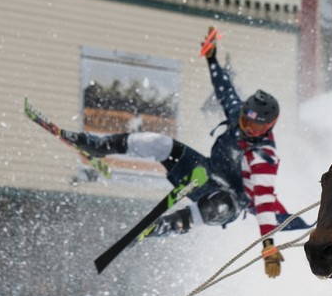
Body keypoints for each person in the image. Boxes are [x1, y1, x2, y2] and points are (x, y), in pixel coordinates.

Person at [57, 27, 295, 278]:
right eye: (245, 121)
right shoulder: (238, 116)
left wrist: (268, 247)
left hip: (229, 198)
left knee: (223, 205)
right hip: (205, 172)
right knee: (161, 144)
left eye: (253, 126)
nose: (246, 128)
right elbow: (225, 90)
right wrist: (212, 57)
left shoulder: (264, 157)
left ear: (268, 127)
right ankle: (100, 146)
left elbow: (265, 202)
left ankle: (170, 224)